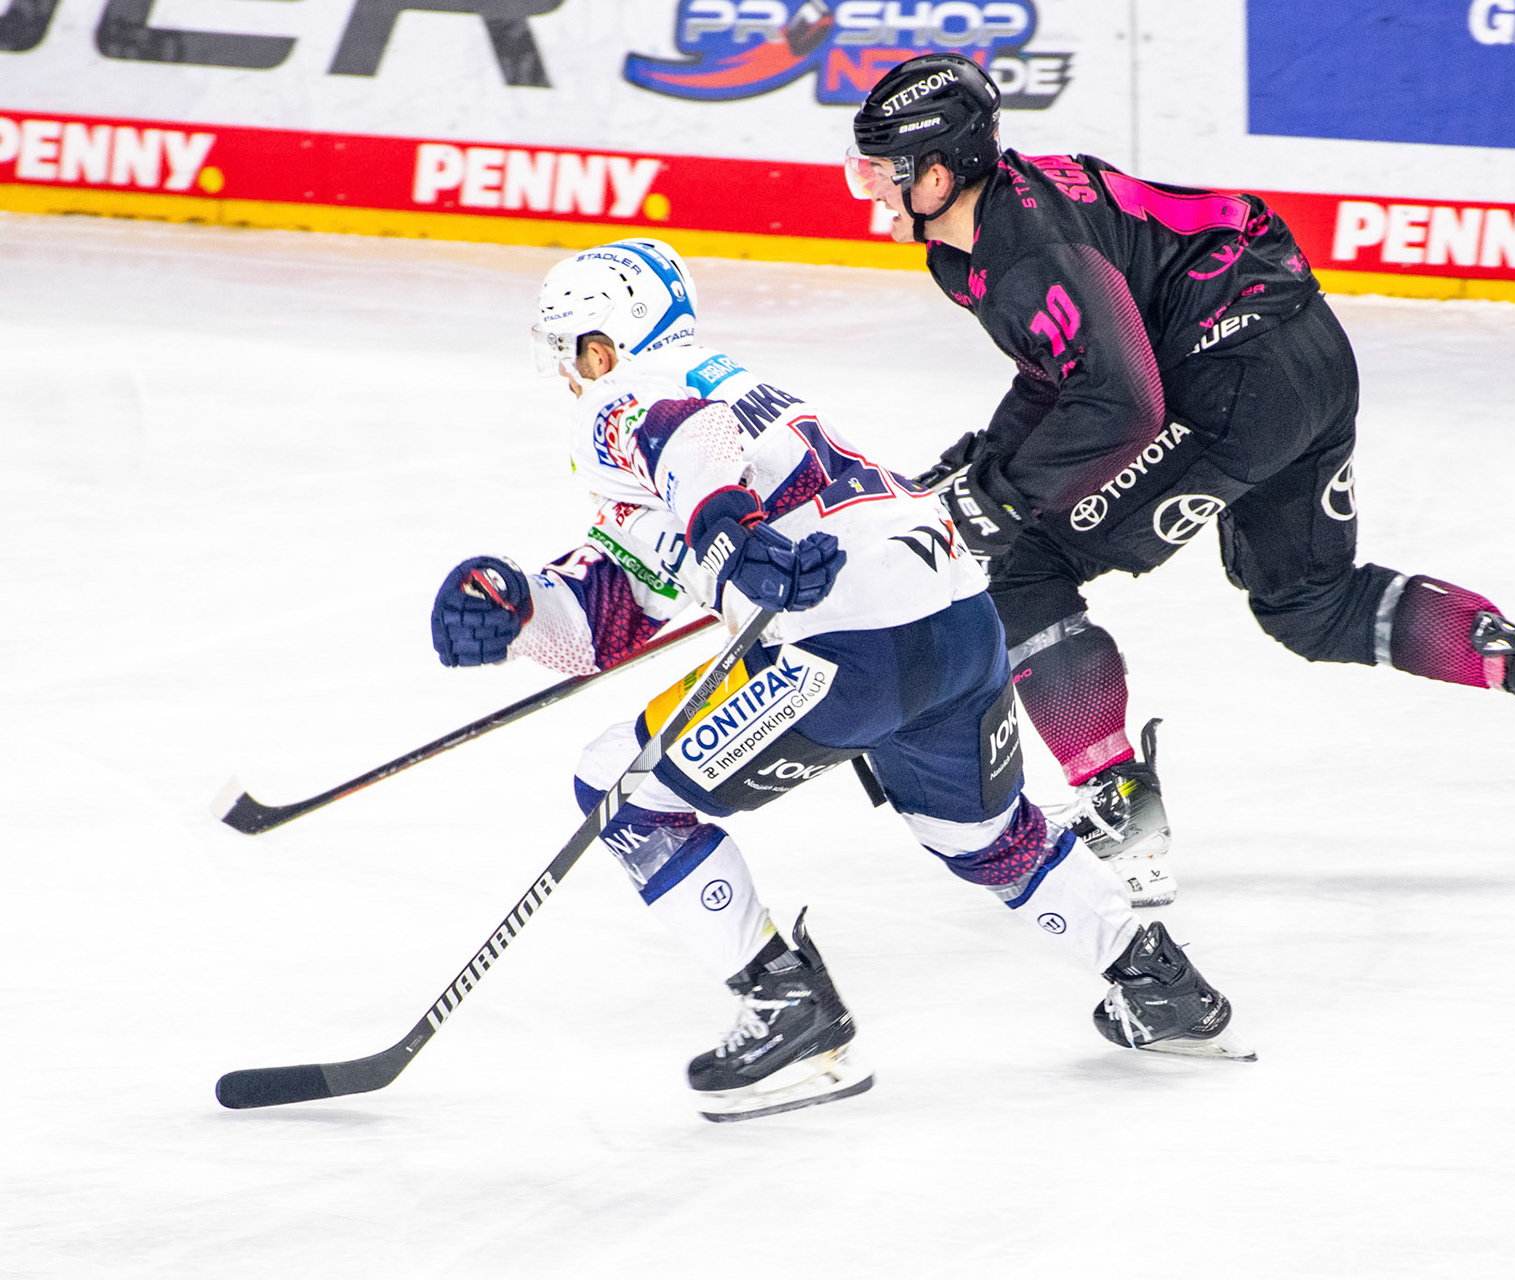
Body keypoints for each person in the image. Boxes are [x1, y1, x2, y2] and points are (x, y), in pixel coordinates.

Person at [428, 239, 1253, 1122]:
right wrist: (521, 609)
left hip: (845, 653)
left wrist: (727, 532)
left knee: (619, 790)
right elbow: (620, 605)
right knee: (982, 835)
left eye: (569, 351)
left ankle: (790, 1009)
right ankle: (1159, 983)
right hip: (959, 625)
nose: (567, 375)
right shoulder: (741, 390)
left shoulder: (629, 393)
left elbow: (685, 440)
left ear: (603, 346)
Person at [845, 55, 1515, 908]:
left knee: (1019, 568)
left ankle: (1124, 812)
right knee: (1312, 603)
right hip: (1304, 353)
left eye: (884, 171)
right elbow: (1067, 368)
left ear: (938, 175)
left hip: (1230, 382)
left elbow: (1122, 401)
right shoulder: (994, 223)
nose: (871, 191)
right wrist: (989, 464)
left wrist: (999, 500)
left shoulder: (1023, 251)